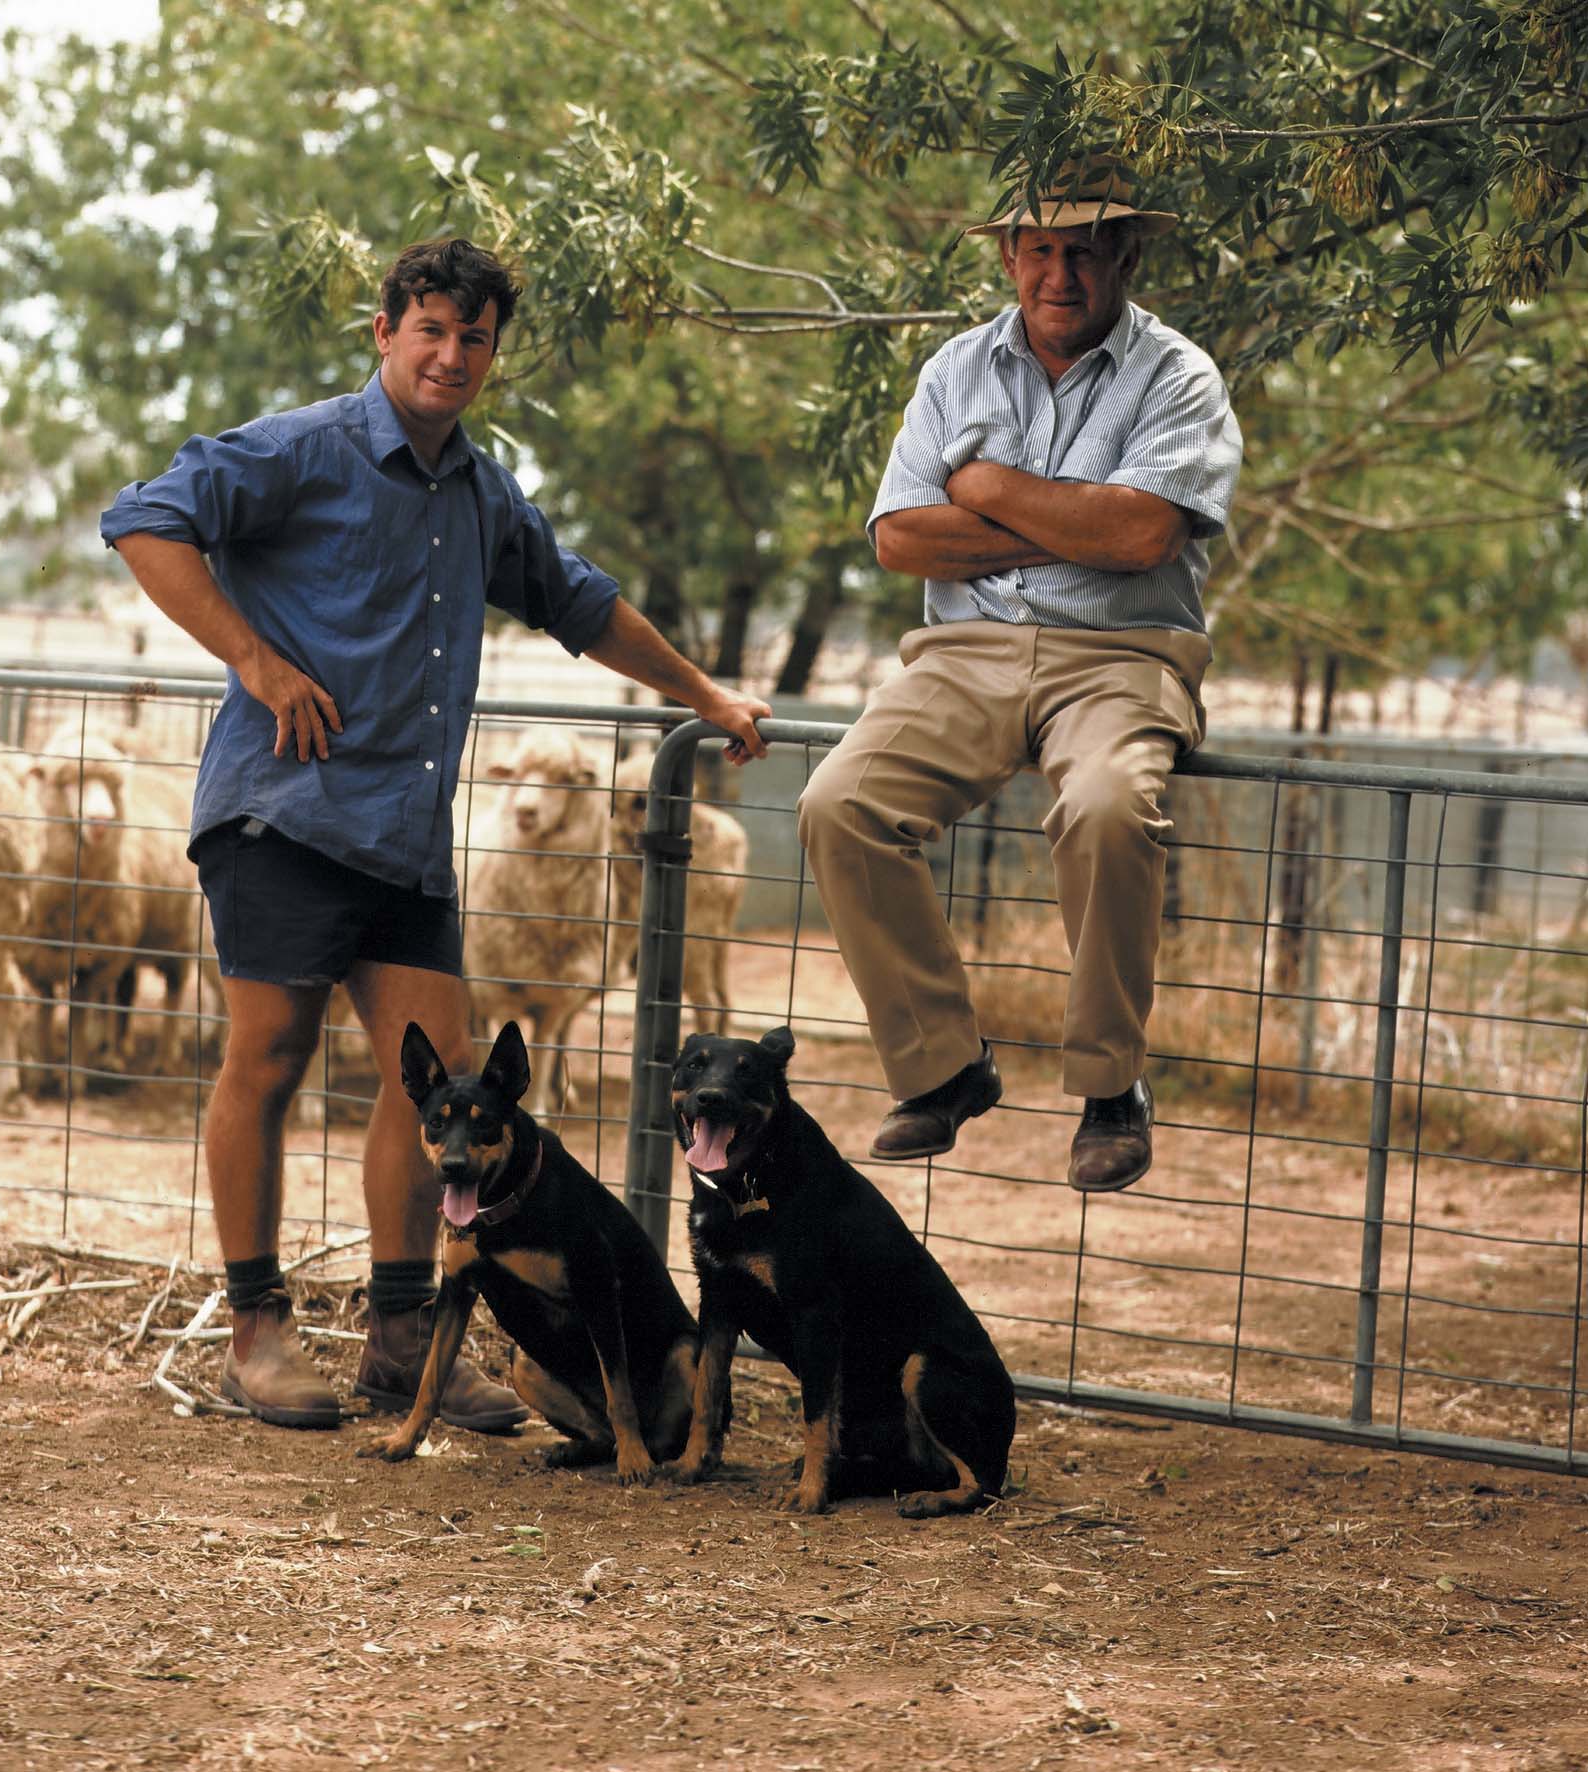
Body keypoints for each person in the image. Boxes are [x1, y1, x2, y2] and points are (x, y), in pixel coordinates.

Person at [101, 238, 770, 1430]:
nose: (450, 354)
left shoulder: (479, 491)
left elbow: (577, 600)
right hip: (284, 806)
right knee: (267, 1052)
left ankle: (400, 1333)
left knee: (443, 1083)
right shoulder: (299, 449)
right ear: (384, 331)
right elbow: (144, 520)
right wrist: (253, 659)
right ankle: (255, 1333)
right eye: (430, 330)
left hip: (401, 833)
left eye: (474, 338)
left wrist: (704, 697)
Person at [796, 160, 1242, 1193]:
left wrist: (989, 490)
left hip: (1122, 658)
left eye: (1083, 249)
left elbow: (1138, 534)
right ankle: (942, 1067)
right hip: (963, 655)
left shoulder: (1178, 376)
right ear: (1006, 256)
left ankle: (1106, 1088)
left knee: (1105, 809)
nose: (1059, 271)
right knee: (836, 803)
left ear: (1124, 254)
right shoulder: (955, 368)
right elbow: (902, 537)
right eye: (1037, 248)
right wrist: (1069, 523)